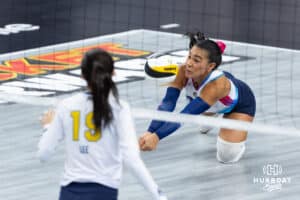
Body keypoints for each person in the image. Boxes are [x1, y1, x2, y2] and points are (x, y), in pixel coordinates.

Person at [37, 48, 167, 200]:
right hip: (103, 193)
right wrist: (158, 194)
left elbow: (43, 154)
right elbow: (131, 159)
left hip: (69, 194)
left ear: (82, 75)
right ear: (113, 73)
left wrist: (48, 127)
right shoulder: (119, 108)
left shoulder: (66, 106)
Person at [139, 32, 256, 164]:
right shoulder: (184, 71)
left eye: (196, 60)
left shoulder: (216, 85)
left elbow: (186, 115)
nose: (189, 63)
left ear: (211, 66)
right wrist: (150, 131)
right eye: (189, 57)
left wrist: (157, 137)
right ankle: (212, 112)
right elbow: (168, 103)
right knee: (204, 109)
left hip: (240, 105)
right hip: (211, 100)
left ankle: (216, 113)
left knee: (226, 157)